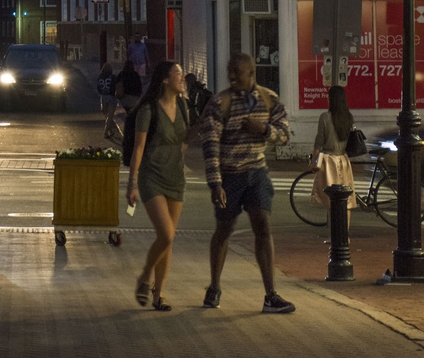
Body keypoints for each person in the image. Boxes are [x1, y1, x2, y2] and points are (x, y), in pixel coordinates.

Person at [200, 52, 295, 314]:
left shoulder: (269, 99)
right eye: (229, 72)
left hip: (257, 172)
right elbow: (211, 146)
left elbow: (285, 134)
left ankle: (271, 294)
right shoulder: (220, 103)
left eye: (237, 73)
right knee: (225, 228)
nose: (231, 77)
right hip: (230, 174)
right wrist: (216, 184)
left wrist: (264, 130)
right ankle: (214, 286)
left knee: (263, 226)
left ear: (251, 73)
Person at [126, 60, 190, 311]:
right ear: (165, 79)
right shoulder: (149, 110)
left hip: (176, 177)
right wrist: (132, 184)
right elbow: (138, 148)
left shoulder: (184, 106)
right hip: (151, 177)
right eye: (178, 74)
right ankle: (144, 276)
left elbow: (184, 139)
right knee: (166, 234)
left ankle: (158, 294)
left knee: (167, 241)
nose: (182, 78)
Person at [309, 85, 357, 228]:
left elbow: (319, 142)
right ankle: (345, 235)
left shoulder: (324, 117)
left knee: (331, 201)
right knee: (345, 201)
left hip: (329, 162)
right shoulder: (349, 117)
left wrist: (313, 161)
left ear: (331, 99)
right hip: (343, 160)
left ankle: (333, 236)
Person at [96, 62, 120, 140]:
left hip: (103, 97)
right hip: (112, 97)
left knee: (106, 115)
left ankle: (110, 130)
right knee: (110, 115)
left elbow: (98, 88)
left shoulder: (100, 77)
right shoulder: (113, 77)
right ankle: (106, 131)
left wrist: (102, 93)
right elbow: (115, 87)